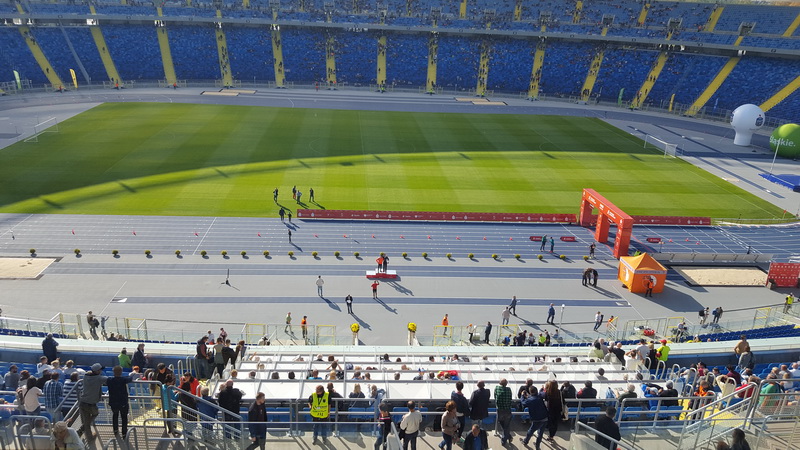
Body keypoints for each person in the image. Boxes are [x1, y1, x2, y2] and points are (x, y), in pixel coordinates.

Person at [79, 363, 108, 439]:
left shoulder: (85, 376)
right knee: (95, 414)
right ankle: (83, 429)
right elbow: (108, 379)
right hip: (91, 403)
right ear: (97, 371)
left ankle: (88, 436)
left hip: (83, 402)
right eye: (100, 370)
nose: (101, 371)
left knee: (86, 420)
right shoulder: (99, 378)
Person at [106, 365, 133, 437]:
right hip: (122, 402)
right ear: (121, 372)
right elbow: (130, 378)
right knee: (124, 417)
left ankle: (115, 429)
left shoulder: (110, 380)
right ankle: (124, 432)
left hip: (113, 402)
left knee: (115, 415)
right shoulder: (123, 380)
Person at [494, 379, 513, 445]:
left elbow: (495, 397)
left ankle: (504, 440)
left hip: (500, 410)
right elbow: (510, 398)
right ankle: (508, 436)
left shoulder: (497, 388)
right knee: (506, 425)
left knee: (501, 423)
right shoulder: (509, 389)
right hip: (507, 410)